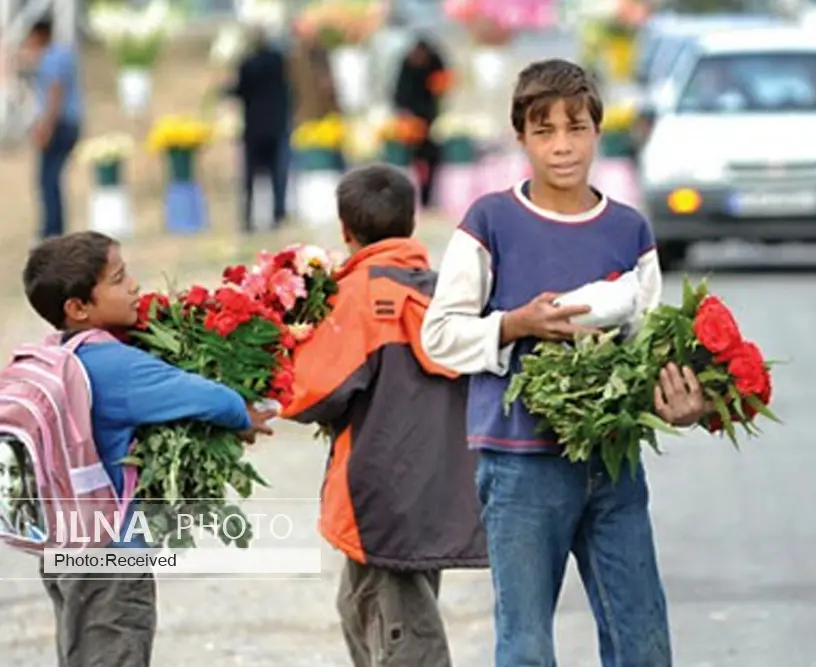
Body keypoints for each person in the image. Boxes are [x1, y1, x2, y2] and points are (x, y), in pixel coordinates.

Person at [420, 59, 708, 667]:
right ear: (520, 138)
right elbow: (438, 336)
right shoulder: (491, 222)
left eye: (576, 128)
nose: (562, 146)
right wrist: (515, 324)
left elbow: (651, 344)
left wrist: (686, 403)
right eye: (544, 131)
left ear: (598, 132)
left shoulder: (628, 231)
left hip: (614, 463)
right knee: (525, 647)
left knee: (644, 643)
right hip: (521, 467)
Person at [21, 231, 276, 667]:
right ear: (78, 307)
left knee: (81, 651)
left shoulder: (56, 354)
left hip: (63, 548)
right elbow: (206, 396)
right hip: (112, 555)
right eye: (119, 279)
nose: (135, 285)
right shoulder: (116, 365)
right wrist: (244, 413)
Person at [282, 164, 487, 667]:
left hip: (379, 496)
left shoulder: (359, 297)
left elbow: (312, 393)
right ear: (411, 222)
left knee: (403, 636)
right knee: (367, 607)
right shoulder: (441, 293)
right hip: (434, 491)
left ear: (346, 230)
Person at [224, 25, 291, 232]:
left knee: (250, 176)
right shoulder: (279, 61)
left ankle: (248, 217)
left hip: (254, 127)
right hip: (276, 124)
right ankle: (277, 213)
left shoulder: (247, 63)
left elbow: (240, 90)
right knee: (277, 173)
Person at [22, 17, 82, 239]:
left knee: (47, 180)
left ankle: (52, 230)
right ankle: (54, 228)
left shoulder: (50, 59)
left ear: (39, 35)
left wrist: (45, 128)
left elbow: (55, 94)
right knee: (52, 178)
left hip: (59, 124)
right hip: (70, 123)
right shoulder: (63, 54)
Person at [392, 37, 448, 206]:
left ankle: (428, 198)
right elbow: (399, 95)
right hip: (410, 122)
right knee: (411, 163)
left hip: (431, 120)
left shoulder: (435, 64)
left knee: (432, 161)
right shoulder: (406, 68)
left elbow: (441, 88)